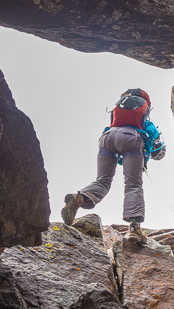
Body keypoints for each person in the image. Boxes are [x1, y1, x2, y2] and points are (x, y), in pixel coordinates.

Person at [61, 89, 165, 244]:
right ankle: (134, 230)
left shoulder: (118, 112)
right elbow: (150, 140)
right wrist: (144, 161)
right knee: (133, 185)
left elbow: (119, 140)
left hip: (107, 137)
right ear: (147, 105)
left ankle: (79, 198)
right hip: (132, 139)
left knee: (102, 180)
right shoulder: (147, 123)